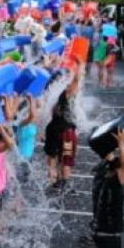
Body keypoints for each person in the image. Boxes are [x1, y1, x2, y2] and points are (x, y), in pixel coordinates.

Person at [44, 59, 81, 191]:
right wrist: (79, 66)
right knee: (66, 159)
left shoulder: (49, 94)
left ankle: (54, 181)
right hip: (66, 133)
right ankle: (64, 183)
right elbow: (76, 82)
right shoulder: (64, 94)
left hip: (52, 130)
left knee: (52, 158)